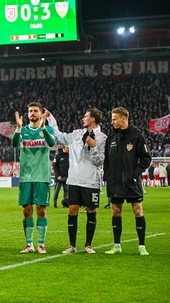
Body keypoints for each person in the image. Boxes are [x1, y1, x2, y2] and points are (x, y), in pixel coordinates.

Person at [47, 108, 107, 254]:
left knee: (90, 210)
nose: (83, 118)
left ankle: (88, 245)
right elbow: (59, 136)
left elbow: (99, 161)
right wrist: (51, 118)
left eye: (86, 116)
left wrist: (93, 147)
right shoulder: (76, 134)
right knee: (72, 210)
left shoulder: (102, 138)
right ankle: (72, 245)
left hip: (90, 181)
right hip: (74, 180)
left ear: (92, 119)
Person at [104, 107, 151, 256]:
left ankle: (142, 246)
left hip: (131, 182)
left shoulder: (136, 135)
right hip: (115, 181)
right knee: (116, 211)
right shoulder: (112, 136)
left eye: (114, 119)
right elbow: (107, 158)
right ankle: (117, 245)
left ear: (123, 119)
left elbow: (146, 158)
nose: (112, 122)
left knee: (138, 211)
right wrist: (107, 174)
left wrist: (135, 174)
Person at [12, 102, 55, 254]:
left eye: (35, 111)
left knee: (41, 210)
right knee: (27, 210)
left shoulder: (47, 129)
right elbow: (14, 143)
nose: (32, 113)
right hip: (26, 176)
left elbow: (51, 143)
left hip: (42, 176)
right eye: (30, 111)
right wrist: (17, 127)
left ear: (40, 113)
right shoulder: (22, 130)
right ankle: (29, 244)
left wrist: (43, 128)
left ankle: (41, 244)